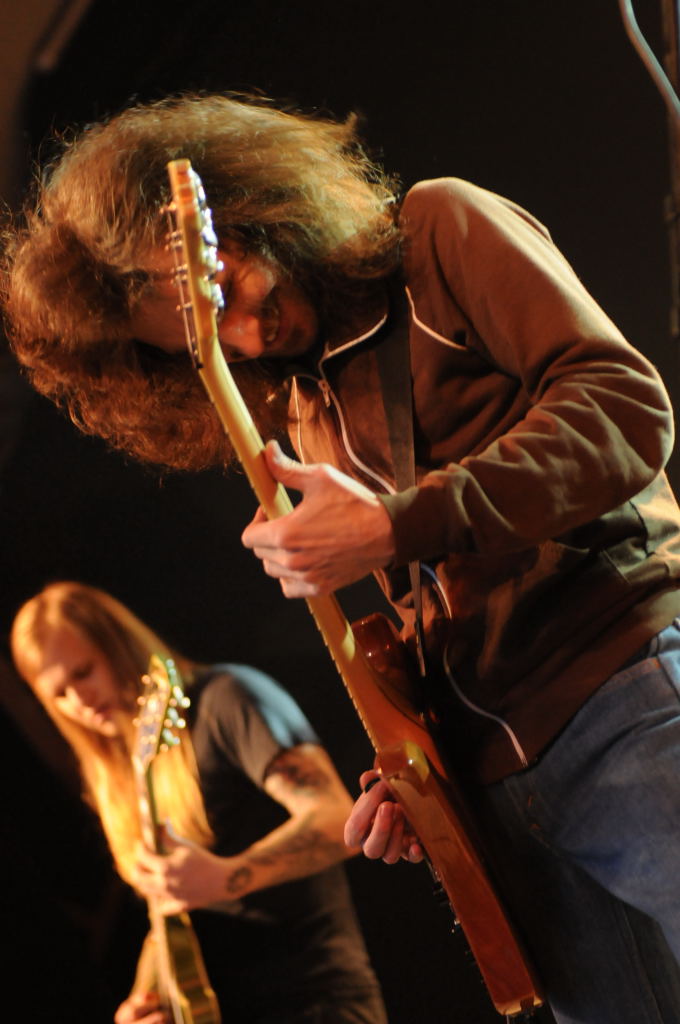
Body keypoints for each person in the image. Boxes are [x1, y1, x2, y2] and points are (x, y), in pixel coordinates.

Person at [3, 92, 680, 1022]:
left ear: (246, 207)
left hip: (621, 694)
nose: (245, 337)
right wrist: (412, 770)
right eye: (206, 346)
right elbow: (431, 607)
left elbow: (625, 410)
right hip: (500, 784)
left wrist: (396, 524)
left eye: (228, 292)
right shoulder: (303, 407)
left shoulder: (438, 234)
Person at [9, 580, 388, 1024]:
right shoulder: (125, 769)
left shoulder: (227, 698)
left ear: (118, 644)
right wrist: (144, 998)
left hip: (316, 1002)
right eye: (58, 694)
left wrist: (227, 877)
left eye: (83, 672)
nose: (79, 700)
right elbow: (168, 914)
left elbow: (338, 820)